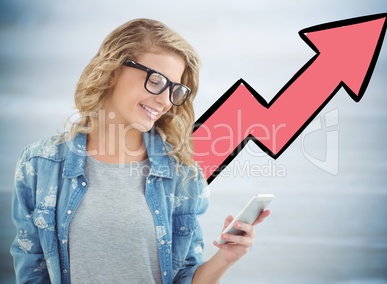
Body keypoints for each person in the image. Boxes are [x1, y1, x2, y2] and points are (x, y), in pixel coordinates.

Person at [10, 18, 270, 283]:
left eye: (174, 90)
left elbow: (183, 276)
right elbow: (31, 270)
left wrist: (224, 259)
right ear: (112, 70)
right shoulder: (39, 164)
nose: (165, 100)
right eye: (156, 81)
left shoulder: (181, 173)